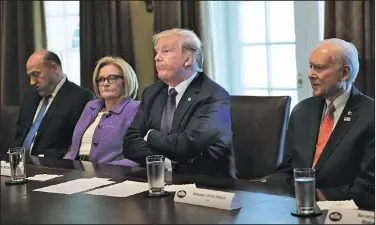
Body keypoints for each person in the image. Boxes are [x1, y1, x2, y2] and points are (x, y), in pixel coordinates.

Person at [268, 38, 374, 198]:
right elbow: (287, 168)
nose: (310, 74)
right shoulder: (302, 111)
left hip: (343, 212)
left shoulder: (370, 115)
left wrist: (316, 197)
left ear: (344, 73)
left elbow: (368, 185)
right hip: (295, 205)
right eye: (311, 66)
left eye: (319, 68)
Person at [123, 28, 235, 178]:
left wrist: (149, 135)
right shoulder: (151, 92)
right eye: (157, 52)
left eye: (166, 51)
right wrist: (164, 162)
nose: (157, 58)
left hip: (207, 186)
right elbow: (130, 143)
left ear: (187, 59)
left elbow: (186, 146)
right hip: (158, 179)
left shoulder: (214, 95)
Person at [14, 49, 96, 159]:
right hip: (19, 166)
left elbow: (76, 145)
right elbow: (19, 136)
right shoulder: (29, 97)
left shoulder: (81, 97)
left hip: (52, 167)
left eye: (36, 74)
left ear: (53, 68)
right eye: (30, 76)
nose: (32, 82)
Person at [64, 56, 140, 166]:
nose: (105, 83)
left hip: (111, 174)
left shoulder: (134, 108)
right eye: (101, 79)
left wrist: (107, 170)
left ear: (126, 80)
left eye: (112, 78)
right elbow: (74, 148)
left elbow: (138, 157)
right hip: (76, 169)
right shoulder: (91, 106)